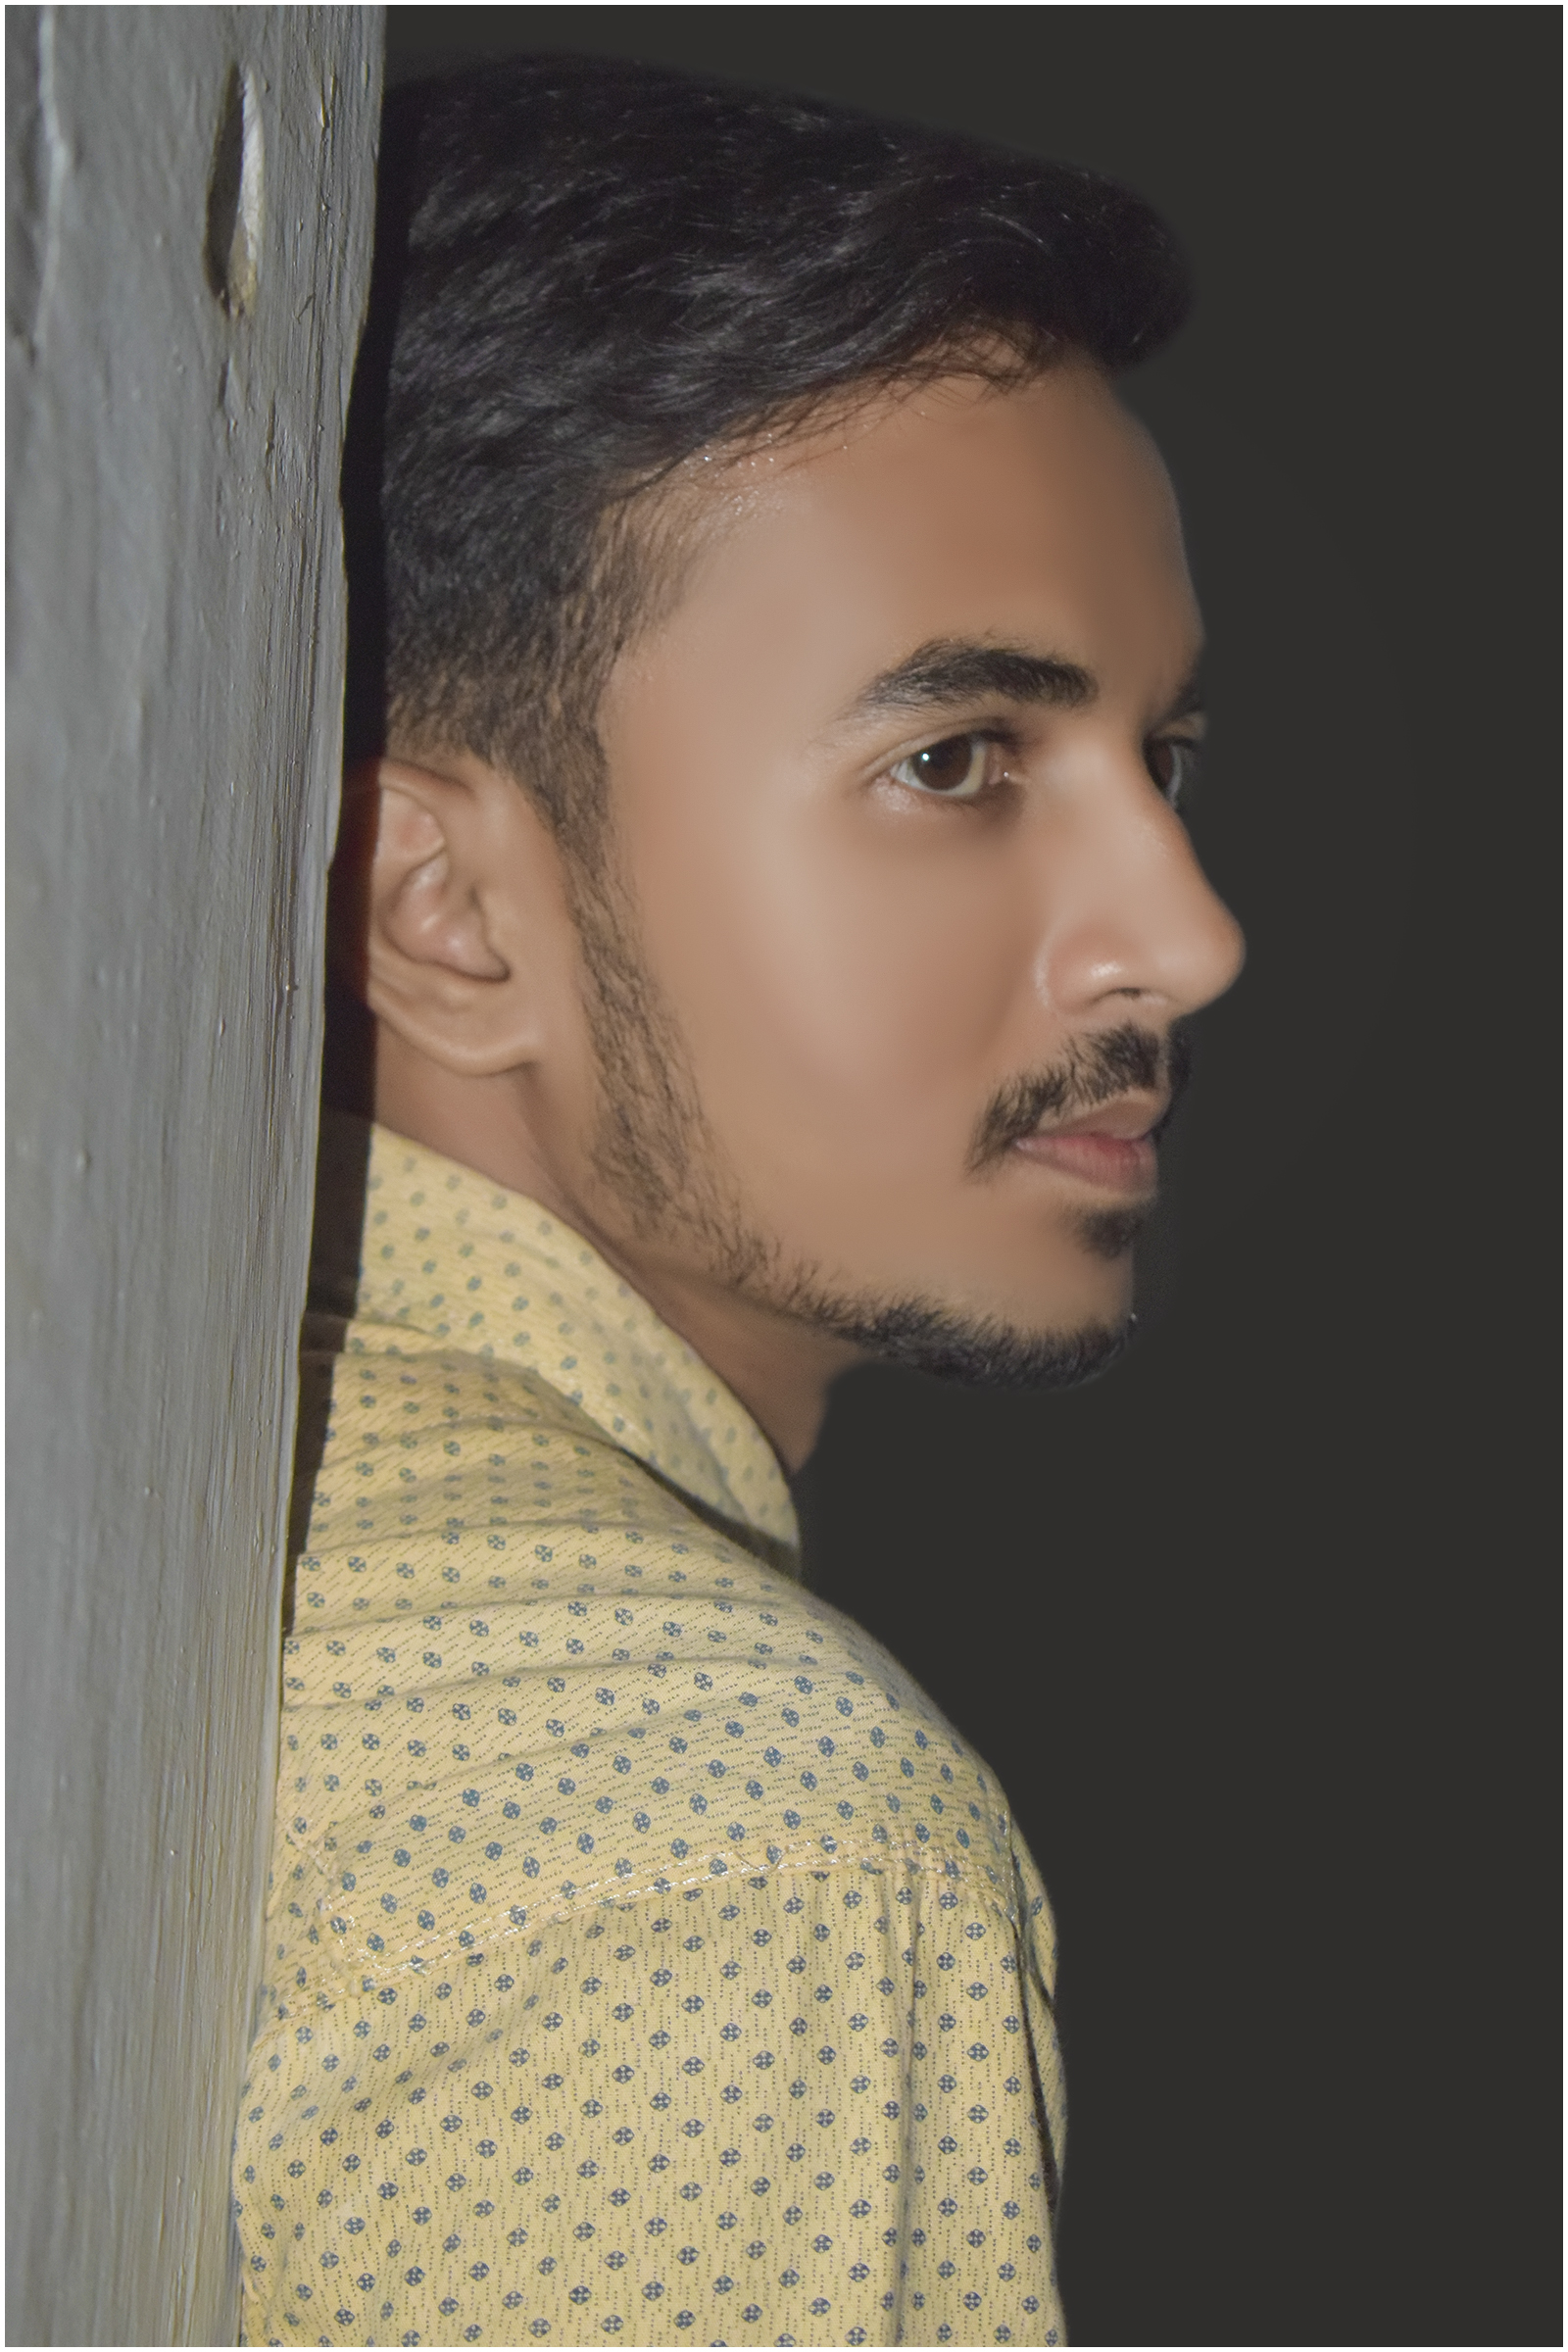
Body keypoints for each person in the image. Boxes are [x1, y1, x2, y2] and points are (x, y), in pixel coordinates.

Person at [232, 54, 1244, 2349]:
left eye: (1159, 761)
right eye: (955, 761)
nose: (1182, 940)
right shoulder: (745, 1837)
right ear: (436, 911)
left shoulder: (228, 1538)